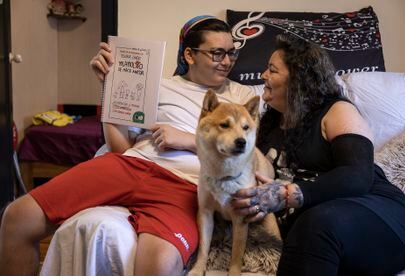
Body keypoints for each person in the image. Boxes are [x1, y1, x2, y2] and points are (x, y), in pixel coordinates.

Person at [0, 15, 255, 276]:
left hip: (183, 185)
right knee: (17, 218)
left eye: (231, 54)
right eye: (217, 53)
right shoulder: (157, 87)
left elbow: (248, 157)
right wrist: (109, 90)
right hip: (130, 165)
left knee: (158, 265)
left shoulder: (243, 96)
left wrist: (187, 140)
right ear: (190, 55)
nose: (226, 62)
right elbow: (120, 148)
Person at [231, 34, 405, 275]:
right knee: (311, 224)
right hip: (319, 234)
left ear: (299, 79)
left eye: (272, 70)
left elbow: (358, 175)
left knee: (316, 223)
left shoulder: (337, 111)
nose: (263, 76)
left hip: (380, 217)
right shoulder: (269, 125)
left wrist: (289, 194)